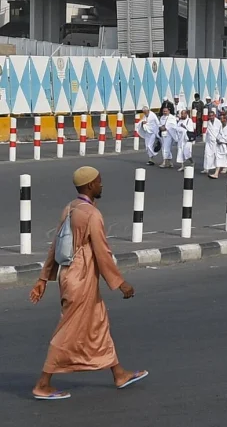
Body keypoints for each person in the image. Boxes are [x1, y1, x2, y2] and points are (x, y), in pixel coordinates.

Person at [29, 166, 147, 400]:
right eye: (99, 181)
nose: (101, 185)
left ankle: (119, 374)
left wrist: (44, 278)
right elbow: (102, 252)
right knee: (68, 331)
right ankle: (42, 384)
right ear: (90, 185)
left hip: (71, 275)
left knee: (99, 323)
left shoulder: (70, 207)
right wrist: (121, 283)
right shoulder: (92, 215)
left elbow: (55, 245)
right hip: (80, 278)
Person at [201, 110, 223, 175]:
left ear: (214, 115)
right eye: (210, 116)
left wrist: (220, 139)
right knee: (207, 154)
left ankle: (217, 169)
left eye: (212, 116)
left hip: (216, 142)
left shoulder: (218, 122)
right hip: (209, 142)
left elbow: (221, 132)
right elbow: (205, 132)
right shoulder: (207, 123)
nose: (211, 117)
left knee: (216, 156)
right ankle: (206, 169)